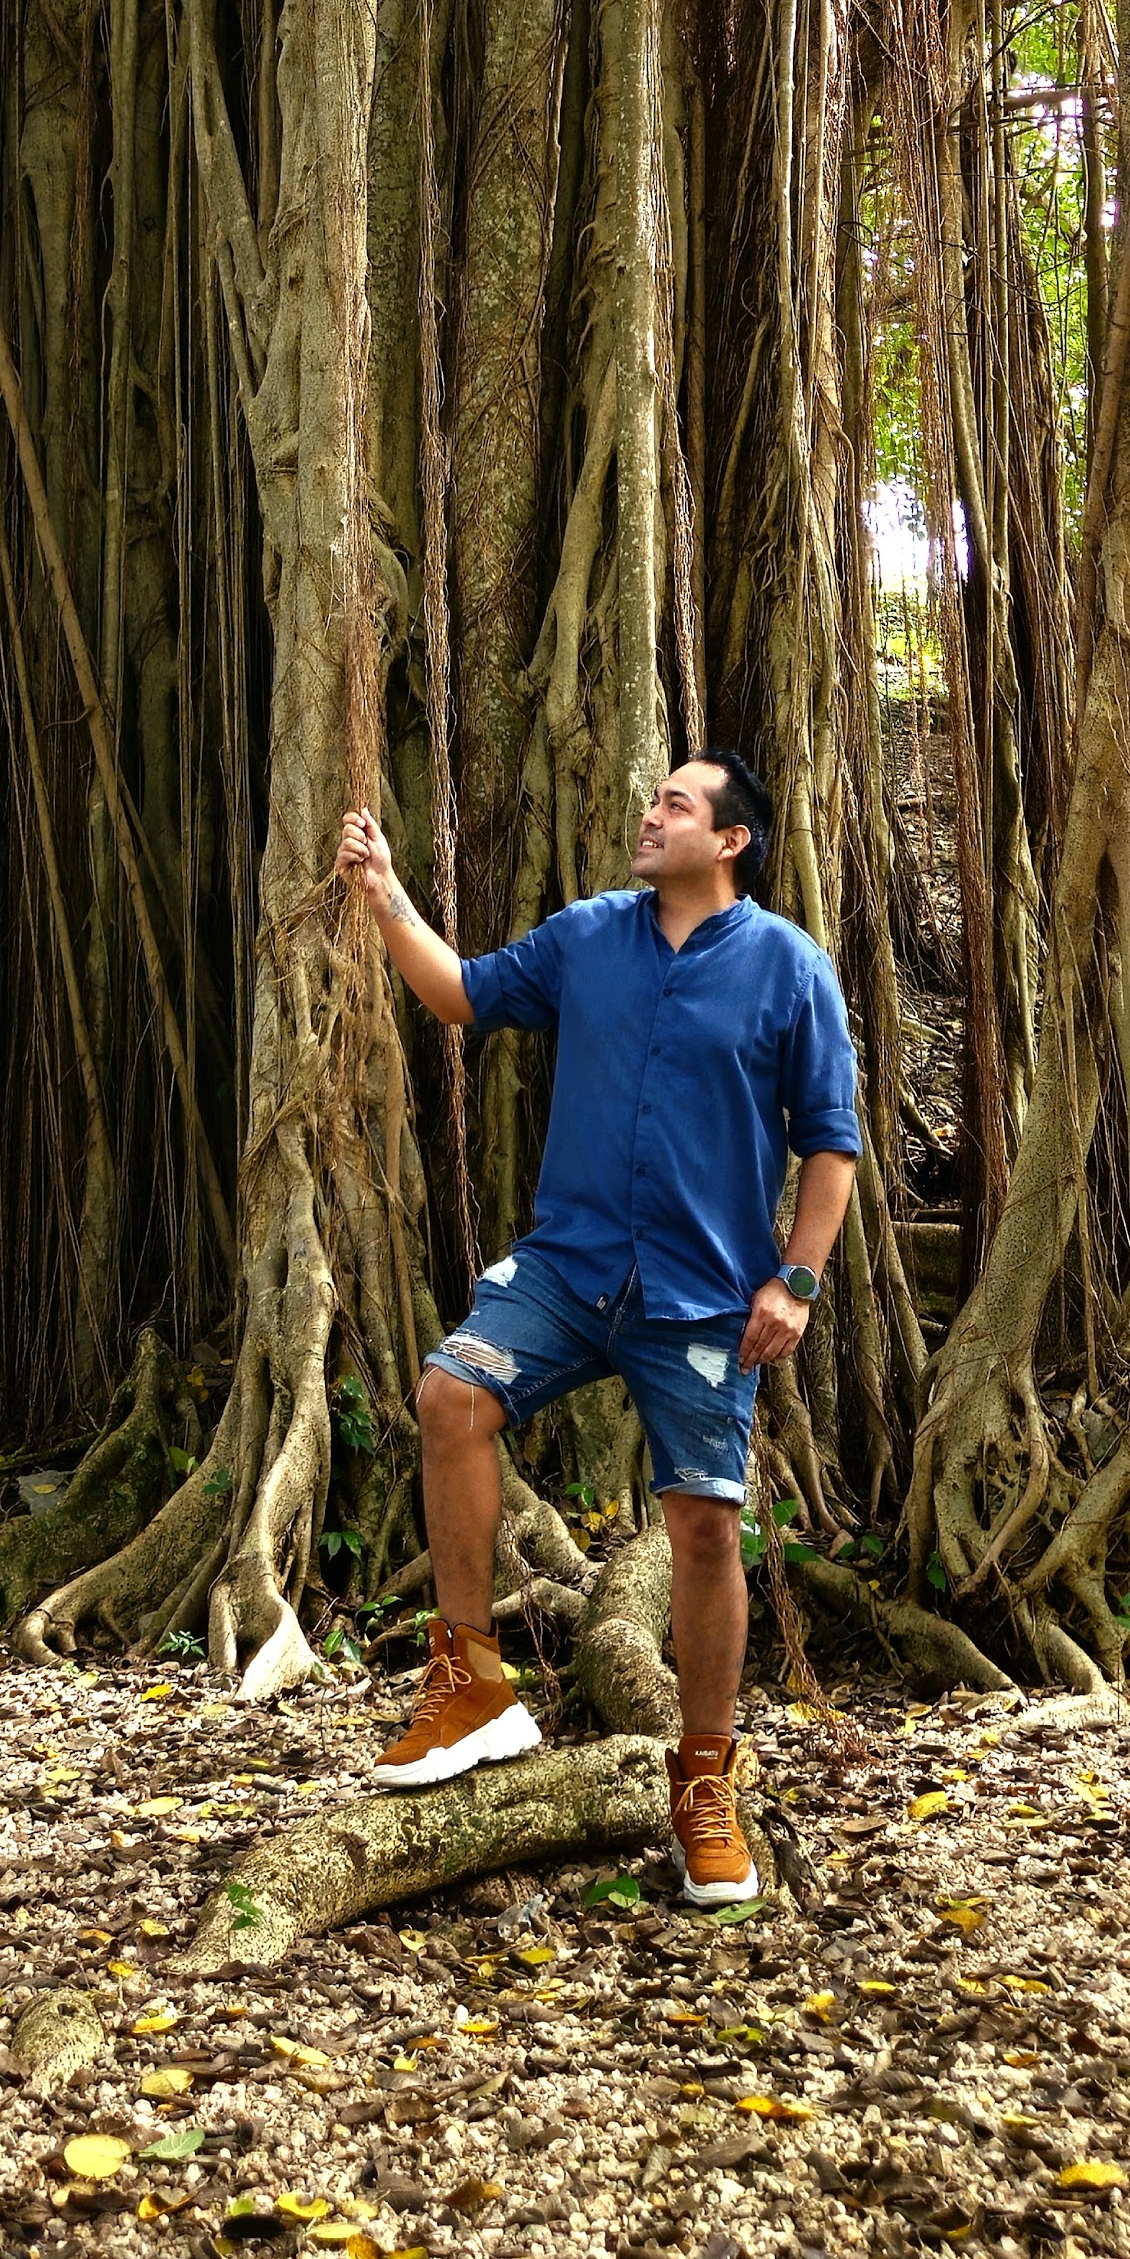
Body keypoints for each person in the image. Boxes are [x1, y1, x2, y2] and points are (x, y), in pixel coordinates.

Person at [334, 751, 859, 1910]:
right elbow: (462, 994)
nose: (650, 812)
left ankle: (704, 1785)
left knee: (707, 1530)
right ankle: (468, 1682)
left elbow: (831, 1143)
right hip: (570, 1268)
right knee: (450, 1393)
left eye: (676, 803)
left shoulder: (788, 967)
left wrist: (798, 1283)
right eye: (653, 797)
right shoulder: (587, 936)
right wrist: (387, 899)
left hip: (704, 1297)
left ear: (728, 841)